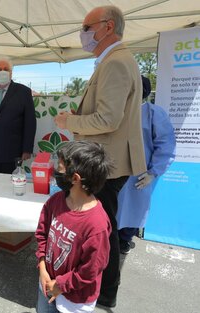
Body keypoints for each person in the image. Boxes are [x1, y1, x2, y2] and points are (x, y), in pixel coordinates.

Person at [54, 5, 146, 308]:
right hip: (105, 161)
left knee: (99, 235)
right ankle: (101, 292)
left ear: (107, 27)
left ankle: (102, 295)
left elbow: (108, 119)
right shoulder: (112, 60)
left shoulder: (117, 62)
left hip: (105, 165)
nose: (82, 34)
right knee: (101, 230)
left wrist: (71, 122)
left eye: (86, 26)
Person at [35, 141, 112, 313]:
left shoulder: (96, 225)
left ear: (75, 178)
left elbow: (90, 270)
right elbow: (42, 234)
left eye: (60, 168)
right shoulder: (55, 201)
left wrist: (61, 285)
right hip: (46, 283)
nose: (56, 170)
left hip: (75, 301)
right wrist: (42, 268)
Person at [117, 76, 176, 254]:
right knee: (115, 206)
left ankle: (124, 240)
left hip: (139, 173)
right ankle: (111, 239)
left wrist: (153, 172)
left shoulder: (153, 113)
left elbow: (166, 144)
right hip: (114, 170)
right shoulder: (117, 112)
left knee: (134, 207)